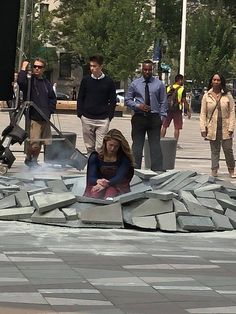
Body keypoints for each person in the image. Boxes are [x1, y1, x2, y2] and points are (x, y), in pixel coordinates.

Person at [125, 60, 167, 171]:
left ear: (152, 70)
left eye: (149, 69)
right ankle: (134, 170)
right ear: (142, 70)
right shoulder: (135, 84)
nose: (147, 72)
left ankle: (157, 170)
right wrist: (138, 106)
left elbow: (163, 102)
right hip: (139, 117)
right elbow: (127, 100)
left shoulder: (159, 84)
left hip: (154, 118)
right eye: (145, 69)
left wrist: (161, 118)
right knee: (137, 146)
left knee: (155, 147)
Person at [17, 57, 57, 168]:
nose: (37, 69)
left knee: (42, 142)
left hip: (45, 117)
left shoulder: (46, 83)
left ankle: (34, 160)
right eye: (35, 66)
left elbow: (52, 97)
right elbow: (20, 82)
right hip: (34, 117)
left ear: (43, 69)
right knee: (34, 143)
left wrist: (50, 110)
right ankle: (29, 159)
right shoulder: (29, 81)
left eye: (39, 67)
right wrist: (24, 68)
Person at [77, 55, 117, 154]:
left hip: (102, 119)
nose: (92, 68)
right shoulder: (86, 80)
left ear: (101, 67)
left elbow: (113, 100)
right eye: (91, 66)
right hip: (87, 117)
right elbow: (80, 97)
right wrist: (80, 114)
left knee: (100, 146)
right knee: (89, 146)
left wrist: (109, 116)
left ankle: (99, 166)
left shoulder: (109, 82)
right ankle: (91, 164)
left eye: (94, 66)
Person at [200, 73, 236, 178]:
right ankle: (214, 170)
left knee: (228, 149)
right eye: (214, 80)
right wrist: (203, 128)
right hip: (212, 127)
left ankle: (231, 169)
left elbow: (232, 112)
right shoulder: (207, 96)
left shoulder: (227, 95)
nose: (216, 82)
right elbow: (203, 113)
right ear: (211, 81)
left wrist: (231, 127)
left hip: (226, 126)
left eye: (218, 80)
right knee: (214, 150)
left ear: (221, 82)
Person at [84, 129, 134, 199]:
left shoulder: (123, 158)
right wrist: (99, 181)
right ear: (105, 143)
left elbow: (119, 177)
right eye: (110, 145)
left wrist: (106, 184)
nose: (112, 148)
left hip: (117, 185)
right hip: (98, 184)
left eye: (116, 146)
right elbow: (91, 177)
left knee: (110, 193)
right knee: (95, 193)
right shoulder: (95, 156)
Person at [161, 74, 191, 149]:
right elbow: (184, 101)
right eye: (182, 80)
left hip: (167, 109)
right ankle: (175, 144)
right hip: (177, 110)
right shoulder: (181, 89)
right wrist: (188, 110)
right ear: (180, 80)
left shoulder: (168, 87)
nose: (183, 81)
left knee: (164, 126)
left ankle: (160, 140)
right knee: (177, 127)